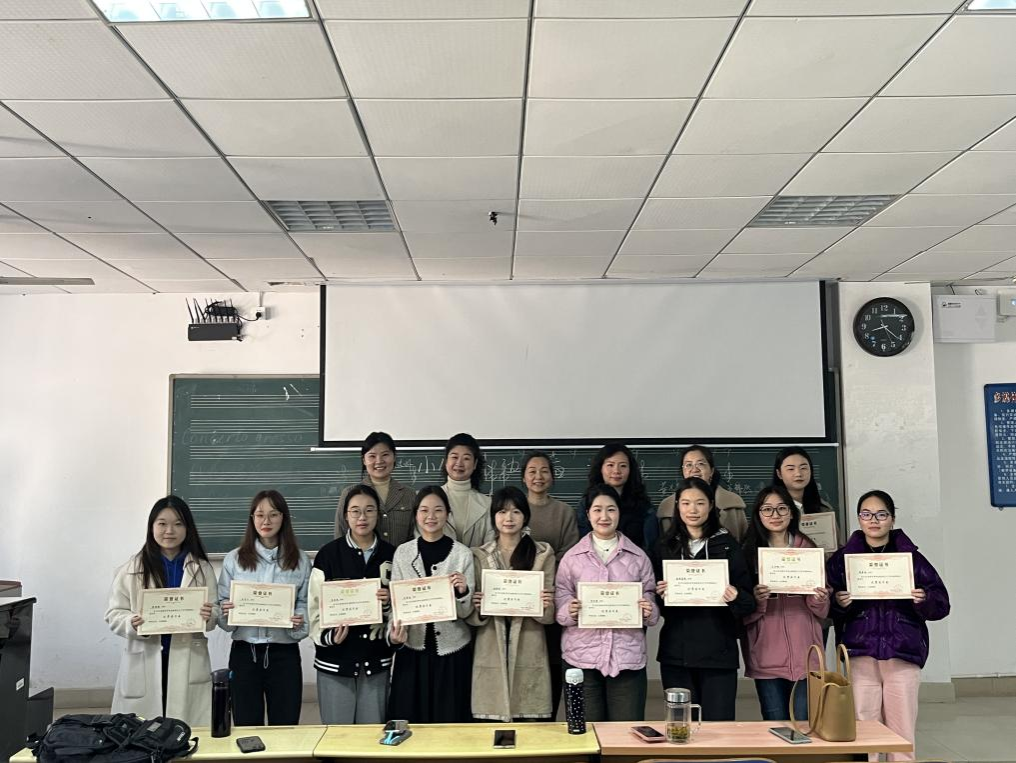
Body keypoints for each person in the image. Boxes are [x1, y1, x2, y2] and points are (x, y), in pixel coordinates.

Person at [827, 490, 950, 762]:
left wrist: (924, 599)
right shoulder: (843, 559)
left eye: (881, 514)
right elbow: (824, 602)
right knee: (863, 727)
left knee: (901, 729)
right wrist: (838, 602)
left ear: (892, 519)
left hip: (902, 652)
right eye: (866, 514)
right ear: (859, 519)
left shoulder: (911, 558)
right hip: (860, 652)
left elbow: (942, 604)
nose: (874, 520)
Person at [105, 495, 217, 728]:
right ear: (152, 527)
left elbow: (214, 611)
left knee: (185, 729)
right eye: (162, 523)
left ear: (187, 528)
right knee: (143, 731)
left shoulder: (202, 568)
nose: (169, 531)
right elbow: (114, 614)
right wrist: (132, 623)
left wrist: (209, 616)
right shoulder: (131, 569)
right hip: (145, 654)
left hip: (187, 655)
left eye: (178, 524)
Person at [653, 477, 755, 721]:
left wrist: (736, 596)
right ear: (677, 506)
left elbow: (749, 602)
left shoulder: (728, 545)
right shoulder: (664, 546)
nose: (693, 509)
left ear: (710, 505)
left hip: (718, 653)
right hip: (676, 653)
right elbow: (655, 606)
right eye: (686, 503)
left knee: (719, 729)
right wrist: (660, 595)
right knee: (680, 726)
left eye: (700, 503)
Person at [556, 484, 659, 722]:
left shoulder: (638, 557)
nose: (604, 516)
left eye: (611, 509)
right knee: (584, 732)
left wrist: (648, 609)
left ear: (619, 513)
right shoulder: (571, 558)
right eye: (597, 510)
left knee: (626, 734)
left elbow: (651, 599)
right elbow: (560, 603)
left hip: (627, 658)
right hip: (580, 659)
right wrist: (569, 609)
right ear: (588, 514)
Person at [217, 490, 312, 726]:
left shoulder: (300, 560)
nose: (266, 521)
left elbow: (305, 603)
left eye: (273, 514)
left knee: (285, 726)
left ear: (283, 517)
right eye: (259, 515)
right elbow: (222, 604)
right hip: (244, 654)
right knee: (246, 727)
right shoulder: (234, 559)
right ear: (252, 518)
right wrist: (226, 611)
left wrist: (298, 619)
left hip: (284, 655)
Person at [740, 484, 829, 721]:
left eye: (781, 508)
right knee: (774, 722)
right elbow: (741, 612)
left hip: (805, 650)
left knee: (804, 722)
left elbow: (822, 610)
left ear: (791, 512)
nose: (775, 515)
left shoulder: (808, 549)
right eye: (767, 509)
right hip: (765, 651)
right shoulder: (747, 553)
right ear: (758, 514)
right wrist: (757, 600)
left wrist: (819, 598)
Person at [388, 486, 475, 723]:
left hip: (452, 652)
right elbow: (397, 605)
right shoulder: (403, 553)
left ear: (448, 513)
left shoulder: (462, 554)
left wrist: (462, 592)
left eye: (438, 510)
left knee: (450, 722)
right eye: (424, 510)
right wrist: (394, 634)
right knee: (410, 722)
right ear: (416, 514)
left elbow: (466, 612)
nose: (431, 516)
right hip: (412, 650)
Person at [310, 485, 395, 724]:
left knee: (371, 737)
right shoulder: (328, 555)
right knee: (336, 736)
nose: (362, 517)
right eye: (355, 511)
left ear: (378, 514)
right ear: (346, 515)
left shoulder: (392, 554)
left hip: (376, 662)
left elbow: (402, 608)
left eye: (369, 510)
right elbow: (314, 608)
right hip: (335, 662)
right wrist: (329, 636)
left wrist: (388, 603)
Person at [469, 486, 556, 721]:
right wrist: (477, 607)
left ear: (525, 517)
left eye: (516, 511)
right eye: (502, 511)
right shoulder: (479, 555)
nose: (509, 518)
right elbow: (472, 613)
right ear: (493, 517)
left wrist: (545, 604)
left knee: (529, 723)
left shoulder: (542, 554)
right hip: (490, 642)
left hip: (530, 641)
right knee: (490, 726)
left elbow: (549, 614)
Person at [520, 450, 579, 715]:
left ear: (553, 477)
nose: (538, 476)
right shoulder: (514, 509)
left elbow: (569, 554)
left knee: (553, 662)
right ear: (523, 477)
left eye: (544, 471)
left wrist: (541, 573)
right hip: (517, 599)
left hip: (551, 596)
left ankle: (548, 716)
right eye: (532, 471)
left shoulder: (564, 511)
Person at [334, 431, 415, 546]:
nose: (379, 461)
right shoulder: (350, 493)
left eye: (385, 455)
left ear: (394, 457)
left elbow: (414, 539)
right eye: (372, 456)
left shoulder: (409, 494)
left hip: (400, 557)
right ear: (364, 460)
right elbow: (340, 534)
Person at [575, 443, 656, 552]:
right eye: (610, 465)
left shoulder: (644, 506)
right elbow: (582, 542)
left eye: (623, 466)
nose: (616, 471)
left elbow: (650, 546)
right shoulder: (587, 503)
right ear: (600, 468)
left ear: (631, 470)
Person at [658, 444, 748, 542]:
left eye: (700, 464)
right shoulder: (667, 507)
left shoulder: (732, 503)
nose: (694, 469)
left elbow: (744, 543)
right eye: (688, 465)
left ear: (711, 471)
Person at [440, 432, 496, 548]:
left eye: (466, 458)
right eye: (454, 457)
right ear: (446, 461)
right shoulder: (430, 500)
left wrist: (469, 558)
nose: (459, 463)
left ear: (475, 464)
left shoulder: (488, 504)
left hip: (477, 560)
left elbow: (491, 546)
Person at [773, 446, 834, 515]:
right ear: (779, 474)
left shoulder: (823, 508)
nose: (798, 474)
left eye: (803, 468)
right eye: (791, 469)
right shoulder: (771, 508)